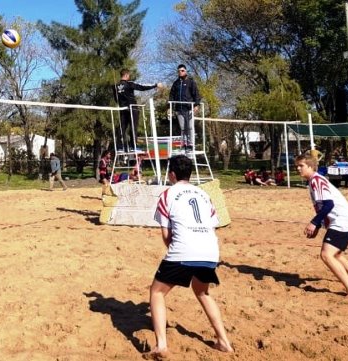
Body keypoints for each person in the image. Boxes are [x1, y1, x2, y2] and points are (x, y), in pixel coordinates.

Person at [147, 155, 233, 358]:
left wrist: (178, 255)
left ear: (172, 174)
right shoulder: (204, 194)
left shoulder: (167, 195)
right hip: (210, 250)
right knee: (202, 292)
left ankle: (161, 346)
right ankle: (224, 342)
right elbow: (213, 226)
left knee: (157, 292)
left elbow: (166, 236)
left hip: (184, 249)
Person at [295, 154, 348, 297]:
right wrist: (317, 226)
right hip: (343, 221)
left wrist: (313, 223)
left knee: (326, 255)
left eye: (301, 166)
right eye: (297, 166)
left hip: (342, 221)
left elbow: (328, 204)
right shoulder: (314, 181)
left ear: (311, 166)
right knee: (337, 254)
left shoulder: (316, 180)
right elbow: (322, 207)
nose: (298, 168)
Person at [114, 69, 162, 152]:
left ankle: (119, 147)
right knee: (133, 127)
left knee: (122, 127)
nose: (129, 77)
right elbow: (142, 87)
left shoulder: (115, 86)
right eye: (129, 75)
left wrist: (122, 103)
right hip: (132, 108)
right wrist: (155, 85)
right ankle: (133, 146)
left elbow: (116, 99)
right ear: (126, 75)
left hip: (123, 109)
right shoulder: (129, 84)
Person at [169, 64, 201, 150]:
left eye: (182, 71)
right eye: (179, 71)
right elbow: (171, 95)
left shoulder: (191, 82)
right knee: (183, 128)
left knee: (190, 127)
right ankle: (184, 144)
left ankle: (191, 144)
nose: (180, 72)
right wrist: (169, 107)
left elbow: (196, 94)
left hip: (189, 108)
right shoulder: (176, 83)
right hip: (179, 109)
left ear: (186, 71)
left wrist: (196, 105)